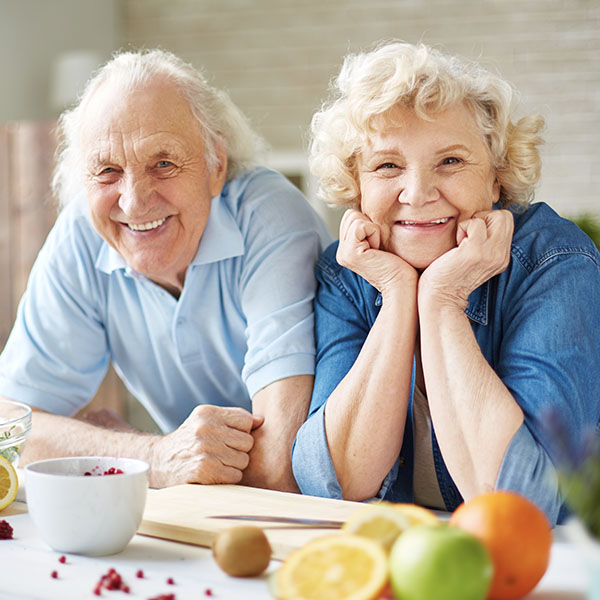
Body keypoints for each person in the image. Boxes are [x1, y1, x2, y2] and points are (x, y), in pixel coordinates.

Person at [291, 41, 600, 524]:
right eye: (387, 165)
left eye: (450, 162)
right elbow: (333, 481)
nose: (417, 194)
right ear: (357, 184)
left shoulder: (555, 261)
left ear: (496, 179)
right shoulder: (349, 271)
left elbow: (525, 502)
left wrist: (442, 298)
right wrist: (397, 296)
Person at [0, 49, 331, 492]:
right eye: (108, 170)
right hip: (198, 517)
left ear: (215, 164)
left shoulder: (268, 217)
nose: (134, 202)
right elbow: (10, 432)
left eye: (163, 164)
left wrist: (114, 448)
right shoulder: (82, 232)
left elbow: (279, 465)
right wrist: (153, 456)